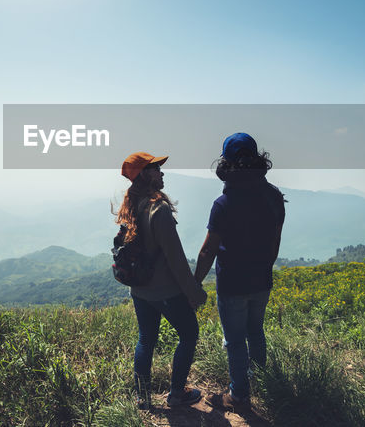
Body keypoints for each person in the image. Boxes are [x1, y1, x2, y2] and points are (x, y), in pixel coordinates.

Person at [194, 133, 285, 411]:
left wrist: (194, 282)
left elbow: (208, 250)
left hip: (232, 283)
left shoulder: (223, 204)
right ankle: (259, 381)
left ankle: (238, 395)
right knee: (256, 333)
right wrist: (264, 269)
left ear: (227, 162)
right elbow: (274, 242)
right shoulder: (273, 196)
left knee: (235, 341)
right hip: (261, 280)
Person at [115, 151, 207, 410]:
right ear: (145, 174)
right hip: (165, 290)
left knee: (146, 339)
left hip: (140, 289)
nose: (162, 173)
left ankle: (141, 398)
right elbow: (175, 258)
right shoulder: (159, 209)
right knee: (189, 334)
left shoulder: (131, 205)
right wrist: (194, 292)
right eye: (156, 168)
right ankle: (177, 394)